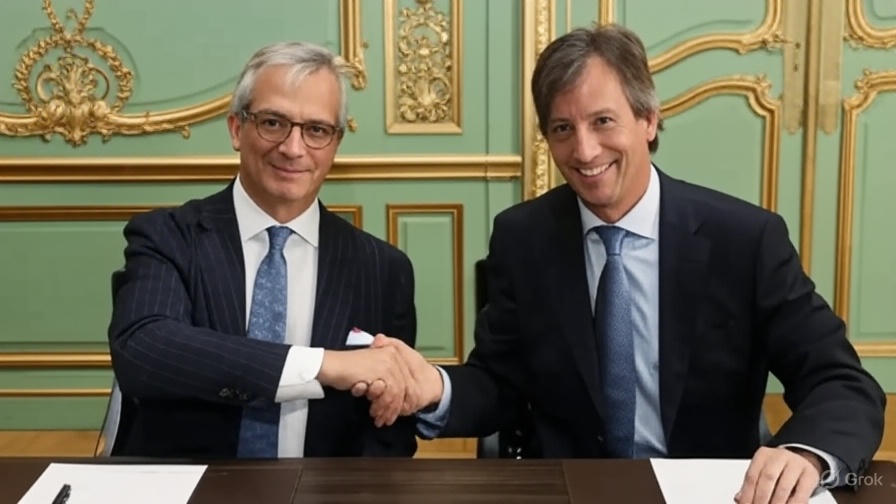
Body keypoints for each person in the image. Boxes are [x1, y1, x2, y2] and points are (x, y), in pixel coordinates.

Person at [359, 24, 885, 503]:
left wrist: (806, 453)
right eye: (562, 129)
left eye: (603, 121)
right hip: (570, 490)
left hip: (707, 492)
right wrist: (435, 388)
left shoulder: (744, 240)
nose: (585, 151)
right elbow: (500, 384)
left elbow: (841, 380)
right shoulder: (524, 238)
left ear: (648, 119)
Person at [107, 41, 419, 458]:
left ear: (335, 144)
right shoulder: (169, 237)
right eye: (273, 123)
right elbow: (144, 350)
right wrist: (323, 364)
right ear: (237, 129)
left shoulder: (382, 268)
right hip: (191, 484)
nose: (293, 148)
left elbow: (388, 427)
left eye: (316, 130)